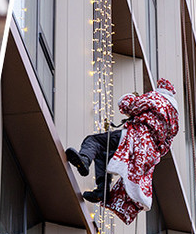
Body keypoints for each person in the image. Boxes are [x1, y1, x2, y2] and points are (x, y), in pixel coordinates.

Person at [66, 78, 179, 225]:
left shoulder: (156, 98)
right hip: (149, 152)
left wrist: (131, 96)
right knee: (104, 153)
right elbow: (166, 145)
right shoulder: (175, 119)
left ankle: (84, 160)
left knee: (95, 141)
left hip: (136, 138)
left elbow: (128, 106)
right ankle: (102, 190)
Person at [65, 128, 122, 203]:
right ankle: (102, 191)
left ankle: (85, 160)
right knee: (102, 153)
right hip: (139, 151)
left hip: (133, 137)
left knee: (93, 140)